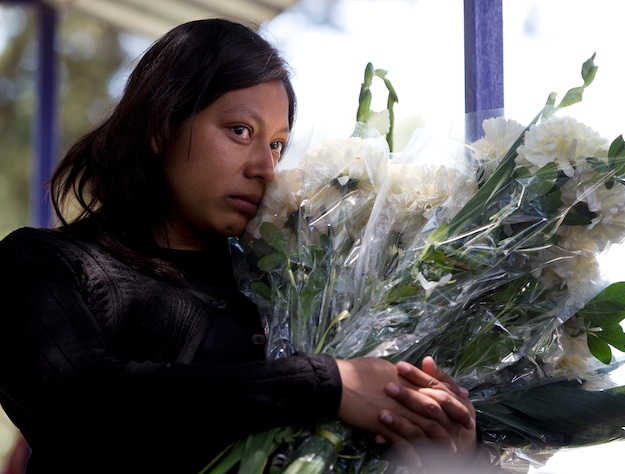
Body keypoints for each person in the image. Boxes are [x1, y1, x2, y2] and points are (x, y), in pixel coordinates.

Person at [0, 18, 483, 473]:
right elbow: (80, 400)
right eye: (240, 131)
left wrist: (439, 435)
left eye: (276, 144)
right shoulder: (45, 264)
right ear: (159, 126)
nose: (265, 168)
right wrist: (327, 384)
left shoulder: (292, 284)